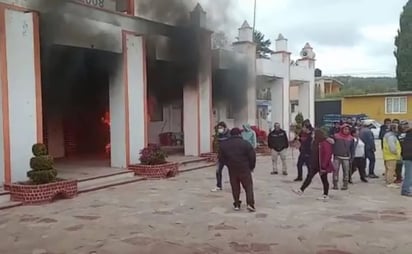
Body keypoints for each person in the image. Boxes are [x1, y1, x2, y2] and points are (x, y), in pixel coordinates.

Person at [219, 128, 256, 212]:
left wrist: (228, 164)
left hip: (232, 169)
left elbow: (221, 158)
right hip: (245, 168)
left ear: (230, 135)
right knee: (248, 186)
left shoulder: (224, 145)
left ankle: (236, 204)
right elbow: (252, 157)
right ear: (240, 134)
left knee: (235, 187)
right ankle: (250, 204)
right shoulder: (246, 144)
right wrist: (251, 167)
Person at [293, 129, 334, 201]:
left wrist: (324, 166)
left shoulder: (325, 143)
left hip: (322, 165)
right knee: (309, 176)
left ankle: (325, 195)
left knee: (324, 180)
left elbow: (327, 155)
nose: (313, 135)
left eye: (314, 134)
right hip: (315, 164)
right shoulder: (314, 142)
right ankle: (301, 190)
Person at [332, 124, 354, 190]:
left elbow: (352, 149)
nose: (346, 131)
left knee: (346, 171)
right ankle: (335, 184)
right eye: (345, 129)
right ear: (342, 129)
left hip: (346, 158)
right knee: (335, 171)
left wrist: (352, 157)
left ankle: (345, 185)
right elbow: (332, 145)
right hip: (337, 157)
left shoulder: (351, 138)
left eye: (347, 129)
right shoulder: (336, 136)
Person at [211, 122, 230, 192]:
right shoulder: (219, 135)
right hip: (221, 156)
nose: (219, 129)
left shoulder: (229, 134)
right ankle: (219, 185)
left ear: (224, 128)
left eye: (221, 128)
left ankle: (237, 185)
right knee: (218, 171)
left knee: (233, 171)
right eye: (219, 128)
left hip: (228, 156)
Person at [383, 123, 402, 188]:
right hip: (391, 156)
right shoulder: (391, 136)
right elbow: (392, 147)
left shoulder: (387, 135)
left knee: (388, 169)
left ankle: (388, 180)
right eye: (397, 128)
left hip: (388, 155)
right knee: (391, 170)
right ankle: (390, 182)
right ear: (394, 129)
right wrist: (396, 152)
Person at [400, 125, 412, 197]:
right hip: (409, 158)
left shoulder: (406, 137)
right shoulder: (409, 139)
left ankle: (408, 189)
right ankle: (405, 190)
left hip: (406, 157)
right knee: (409, 175)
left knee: (409, 174)